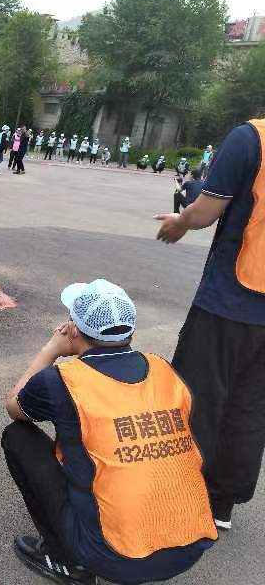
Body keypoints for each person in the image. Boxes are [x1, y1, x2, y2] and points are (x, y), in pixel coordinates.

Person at [4, 279, 217, 585]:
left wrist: (51, 350)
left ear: (73, 330)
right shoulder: (161, 369)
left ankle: (66, 562)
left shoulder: (60, 380)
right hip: (189, 547)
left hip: (114, 558)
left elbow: (15, 407)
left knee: (17, 437)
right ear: (129, 331)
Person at [155, 119, 265, 532]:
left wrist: (180, 221)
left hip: (233, 297)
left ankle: (178, 492)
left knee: (197, 395)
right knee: (251, 405)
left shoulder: (251, 138)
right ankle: (221, 501)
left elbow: (205, 211)